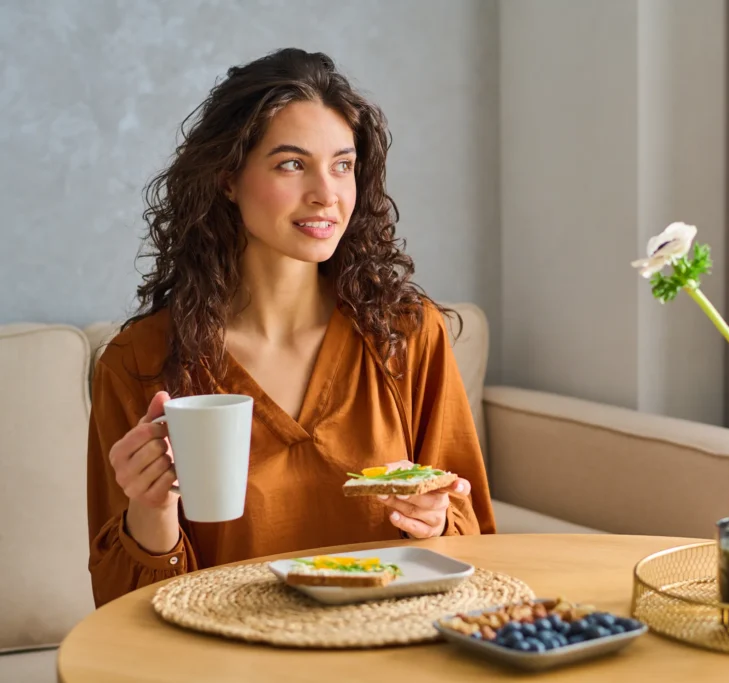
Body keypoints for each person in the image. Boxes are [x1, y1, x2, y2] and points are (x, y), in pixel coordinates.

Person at [86, 48, 496, 608]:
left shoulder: (406, 335)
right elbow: (120, 615)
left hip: (388, 649)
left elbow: (478, 549)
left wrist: (434, 522)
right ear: (228, 179)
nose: (327, 194)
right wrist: (150, 509)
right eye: (291, 164)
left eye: (342, 165)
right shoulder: (138, 362)